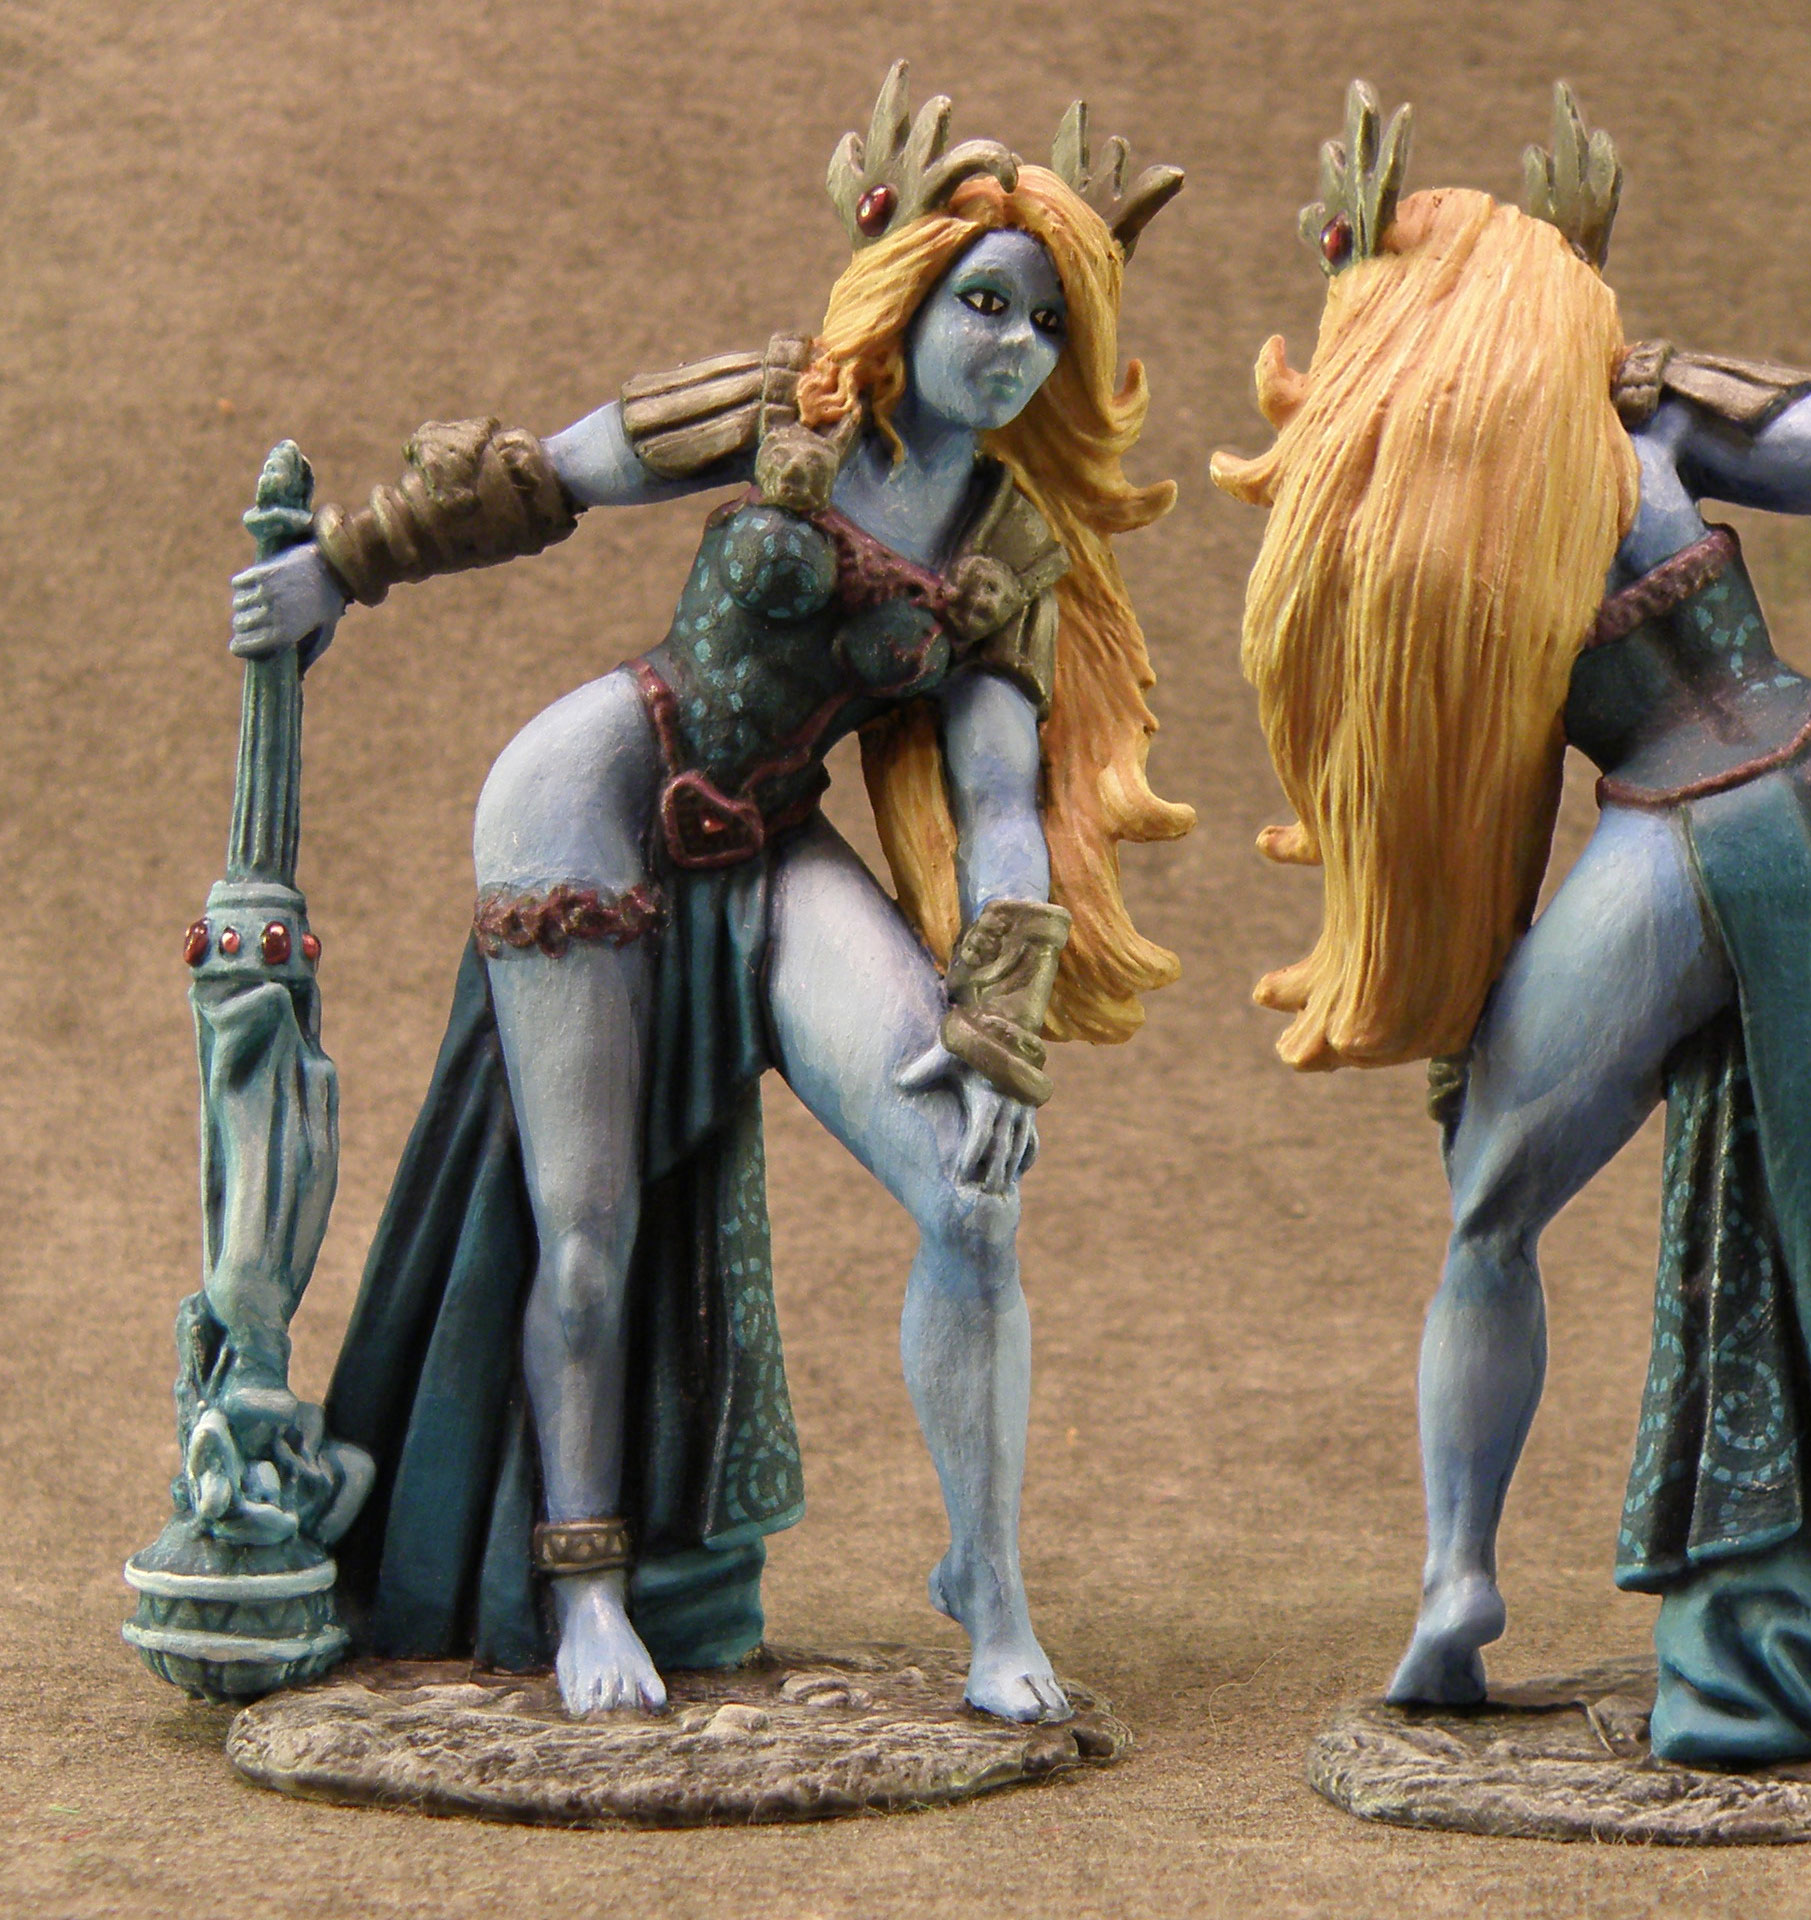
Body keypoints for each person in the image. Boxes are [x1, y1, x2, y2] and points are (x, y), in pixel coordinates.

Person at [1213, 84, 1811, 1767]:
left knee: (1487, 1211)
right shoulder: (1639, 421)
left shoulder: (1421, 502)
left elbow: (1439, 795)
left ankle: (1458, 1581)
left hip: (1693, 835)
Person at [226, 69, 1190, 1721]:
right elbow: (541, 479)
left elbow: (995, 805)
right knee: (585, 1230)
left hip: (766, 838)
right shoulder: (779, 405)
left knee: (970, 1191)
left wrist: (998, 1028)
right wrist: (345, 563)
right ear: (909, 290)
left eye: (1050, 324)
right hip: (590, 797)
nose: (1015, 345)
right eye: (985, 301)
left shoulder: (1004, 554)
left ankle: (988, 1590)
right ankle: (586, 1587)